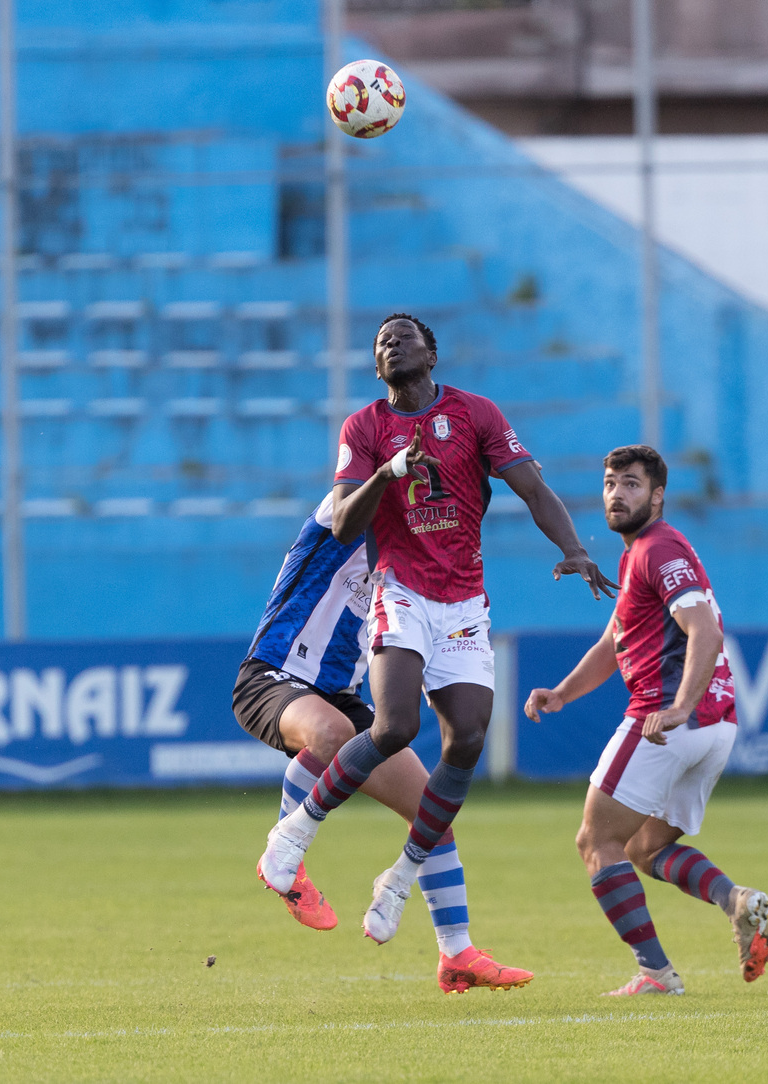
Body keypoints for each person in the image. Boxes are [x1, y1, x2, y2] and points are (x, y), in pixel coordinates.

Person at [258, 311, 617, 953]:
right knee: (395, 726)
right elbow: (343, 524)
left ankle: (398, 881)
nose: (392, 343)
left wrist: (574, 547)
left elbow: (533, 488)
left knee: (468, 740)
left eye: (404, 335)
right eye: (380, 342)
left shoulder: (476, 414)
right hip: (400, 590)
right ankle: (294, 836)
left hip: (464, 602)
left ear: (432, 350)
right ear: (376, 368)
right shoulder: (365, 427)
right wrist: (389, 473)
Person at [233, 495, 533, 993]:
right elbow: (368, 485)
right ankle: (286, 854)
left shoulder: (413, 557)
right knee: (332, 734)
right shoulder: (346, 512)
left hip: (341, 697)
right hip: (274, 676)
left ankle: (457, 953)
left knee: (433, 812)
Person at [524, 444, 768, 997]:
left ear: (658, 496)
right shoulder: (642, 553)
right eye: (611, 482)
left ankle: (656, 975)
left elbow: (704, 629)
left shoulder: (659, 549)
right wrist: (563, 693)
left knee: (595, 840)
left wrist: (680, 705)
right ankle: (736, 901)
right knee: (644, 848)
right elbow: (615, 642)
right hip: (715, 729)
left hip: (669, 721)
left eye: (632, 484)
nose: (617, 493)